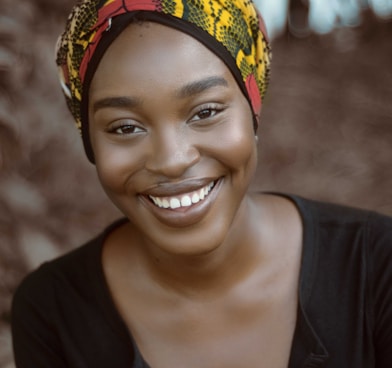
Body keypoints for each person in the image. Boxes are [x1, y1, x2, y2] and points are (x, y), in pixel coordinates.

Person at [11, 0, 392, 367]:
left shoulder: (375, 267)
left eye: (205, 112)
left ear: (252, 109)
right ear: (90, 140)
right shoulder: (53, 312)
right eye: (125, 127)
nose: (172, 161)